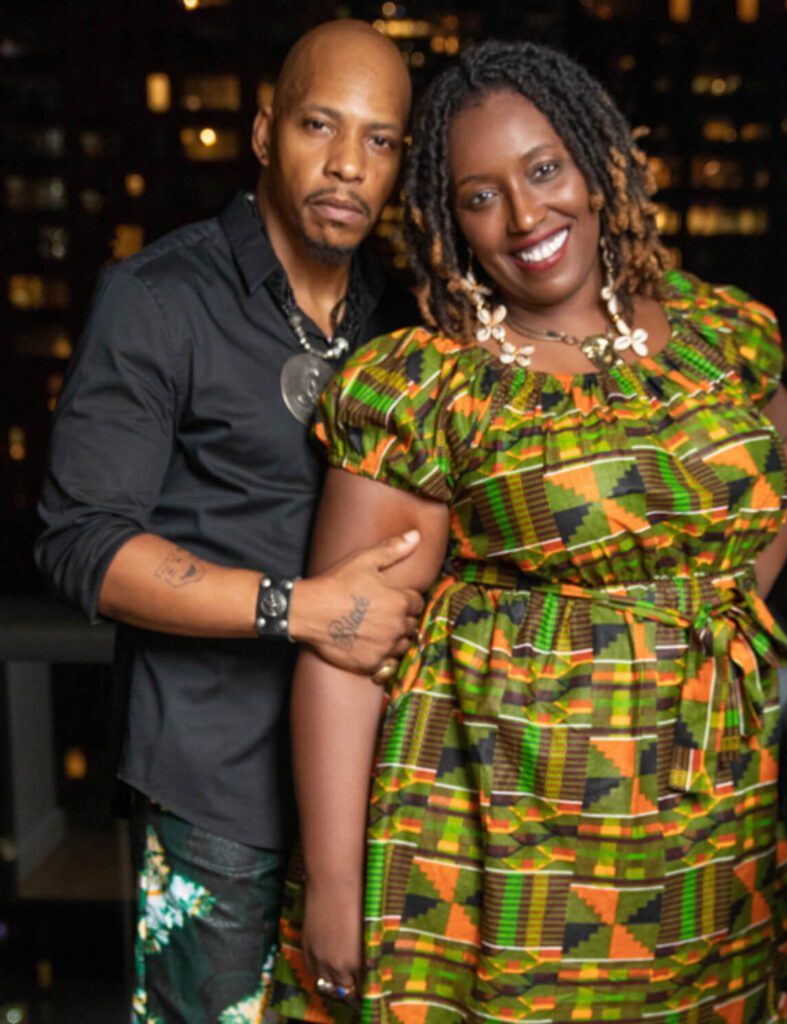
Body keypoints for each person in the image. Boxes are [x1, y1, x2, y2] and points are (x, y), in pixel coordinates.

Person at [271, 39, 787, 1024]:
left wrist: (723, 600)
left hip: (698, 815)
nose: (526, 216)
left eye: (543, 170)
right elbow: (345, 646)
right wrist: (333, 887)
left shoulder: (711, 333)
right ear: (450, 224)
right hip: (502, 828)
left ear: (596, 162)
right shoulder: (435, 384)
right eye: (480, 194)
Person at [34, 20, 421, 1024]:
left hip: (382, 790)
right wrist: (303, 608)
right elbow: (81, 542)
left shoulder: (403, 318)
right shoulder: (160, 300)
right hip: (216, 788)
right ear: (262, 133)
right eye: (319, 126)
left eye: (379, 140)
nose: (347, 165)